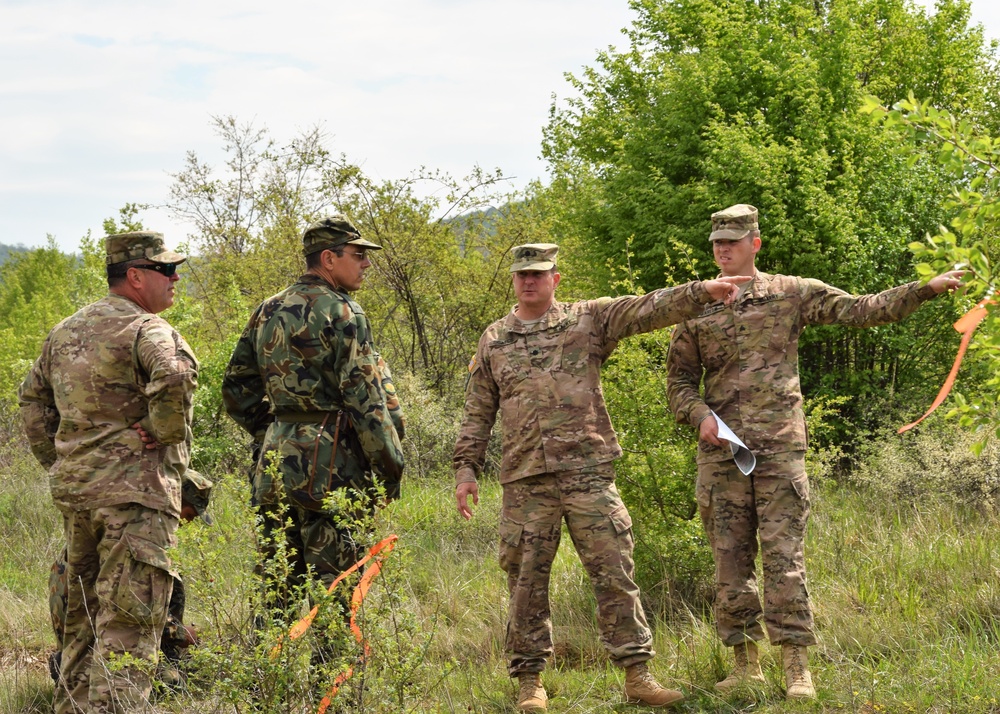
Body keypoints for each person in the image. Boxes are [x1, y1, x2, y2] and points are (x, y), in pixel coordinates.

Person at [666, 204, 965, 699]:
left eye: (733, 241)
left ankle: (796, 667)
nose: (723, 249)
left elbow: (862, 309)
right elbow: (678, 381)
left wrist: (926, 288)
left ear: (755, 244)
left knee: (785, 560)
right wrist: (699, 416)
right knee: (729, 563)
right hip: (723, 456)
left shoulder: (791, 293)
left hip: (780, 449)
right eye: (717, 241)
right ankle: (745, 665)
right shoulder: (697, 305)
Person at [453, 243, 750, 711]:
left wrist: (701, 291)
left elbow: (646, 308)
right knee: (525, 582)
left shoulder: (586, 319)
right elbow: (477, 411)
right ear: (514, 280)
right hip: (526, 480)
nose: (529, 281)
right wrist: (466, 468)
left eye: (539, 273)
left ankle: (637, 675)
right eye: (521, 275)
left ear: (556, 278)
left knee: (615, 574)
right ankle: (530, 683)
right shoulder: (494, 339)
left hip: (588, 474)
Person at [19, 231, 198, 713]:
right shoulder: (146, 330)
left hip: (80, 499)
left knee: (82, 630)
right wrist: (161, 433)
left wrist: (65, 461)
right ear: (135, 276)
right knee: (130, 631)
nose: (175, 277)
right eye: (166, 270)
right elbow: (177, 376)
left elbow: (33, 401)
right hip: (136, 502)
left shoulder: (66, 331)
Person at [222, 214, 404, 635]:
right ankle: (330, 692)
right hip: (333, 470)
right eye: (358, 255)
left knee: (276, 587)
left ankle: (266, 686)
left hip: (274, 468)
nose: (366, 264)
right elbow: (367, 400)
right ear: (328, 258)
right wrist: (390, 470)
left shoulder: (267, 308)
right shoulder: (344, 312)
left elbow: (235, 387)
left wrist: (275, 429)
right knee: (336, 589)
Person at [47, 468, 212, 689]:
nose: (187, 524)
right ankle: (83, 673)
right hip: (101, 645)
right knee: (173, 683)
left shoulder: (113, 524)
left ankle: (75, 668)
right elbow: (134, 611)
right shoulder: (142, 542)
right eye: (188, 515)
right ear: (173, 502)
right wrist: (182, 634)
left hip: (79, 642)